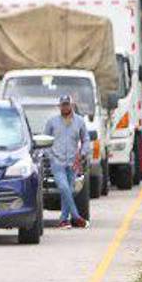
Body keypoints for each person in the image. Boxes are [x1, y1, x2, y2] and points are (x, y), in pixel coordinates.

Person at [43, 94, 88, 229]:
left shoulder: (80, 121)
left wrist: (82, 154)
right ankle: (76, 216)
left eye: (67, 104)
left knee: (67, 191)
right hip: (57, 162)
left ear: (71, 105)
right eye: (63, 105)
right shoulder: (52, 122)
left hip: (73, 162)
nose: (65, 107)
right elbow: (45, 140)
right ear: (59, 106)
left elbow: (85, 139)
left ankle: (63, 220)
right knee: (64, 187)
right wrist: (50, 155)